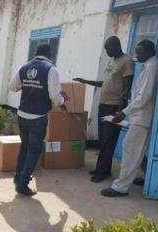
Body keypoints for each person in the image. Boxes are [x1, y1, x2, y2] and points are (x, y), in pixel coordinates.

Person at [74, 36, 135, 183]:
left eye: (108, 49)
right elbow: (105, 82)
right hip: (104, 104)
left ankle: (101, 172)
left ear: (115, 46)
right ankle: (104, 169)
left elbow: (126, 89)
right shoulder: (112, 60)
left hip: (114, 106)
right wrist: (86, 81)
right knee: (103, 139)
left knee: (109, 139)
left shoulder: (127, 62)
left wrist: (121, 110)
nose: (106, 51)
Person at [101, 40, 158, 197]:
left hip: (141, 117)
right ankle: (144, 177)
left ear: (149, 51)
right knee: (139, 150)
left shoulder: (152, 67)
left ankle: (120, 187)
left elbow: (144, 97)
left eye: (139, 52)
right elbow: (141, 93)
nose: (136, 55)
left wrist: (123, 112)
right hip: (139, 115)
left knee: (130, 148)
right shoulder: (149, 65)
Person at [9, 44, 66, 196]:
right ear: (49, 53)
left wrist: (27, 86)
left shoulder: (24, 67)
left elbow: (12, 87)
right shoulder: (51, 69)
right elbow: (54, 96)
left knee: (25, 147)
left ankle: (18, 176)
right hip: (37, 117)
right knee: (34, 150)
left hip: (22, 114)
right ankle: (23, 183)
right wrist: (62, 104)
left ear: (36, 53)